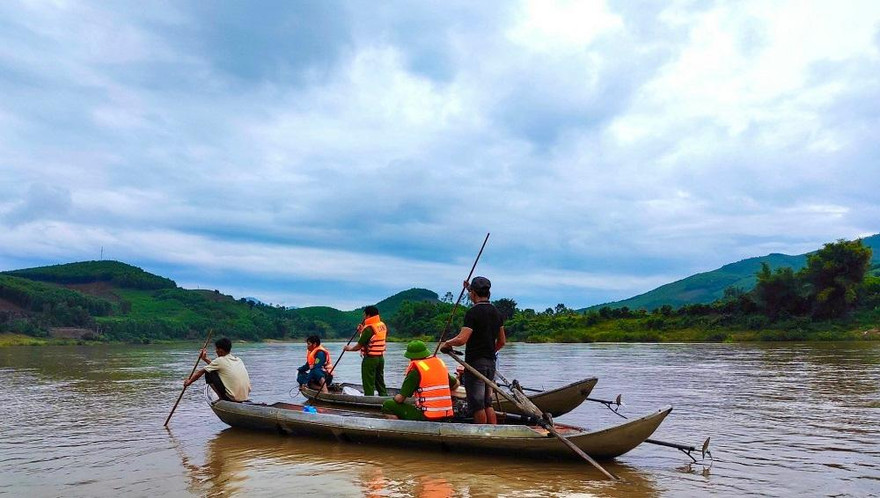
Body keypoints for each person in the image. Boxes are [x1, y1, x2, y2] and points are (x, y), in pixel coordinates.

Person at [439, 276, 506, 424]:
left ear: (473, 294)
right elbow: (502, 342)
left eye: (471, 292)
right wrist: (489, 351)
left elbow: (462, 339)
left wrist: (447, 343)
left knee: (477, 405)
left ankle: (482, 435)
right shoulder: (497, 313)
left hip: (475, 364)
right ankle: (494, 433)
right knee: (487, 402)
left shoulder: (473, 313)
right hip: (490, 364)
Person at [381, 340, 458, 421]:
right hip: (446, 414)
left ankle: (397, 427)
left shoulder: (415, 371)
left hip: (428, 416)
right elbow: (456, 384)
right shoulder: (439, 365)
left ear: (411, 357)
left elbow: (399, 399)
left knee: (388, 405)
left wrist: (394, 398)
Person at [184, 337, 251, 402]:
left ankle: (221, 398)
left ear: (221, 351)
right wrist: (205, 359)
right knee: (211, 369)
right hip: (244, 397)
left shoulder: (220, 360)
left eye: (216, 349)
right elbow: (218, 366)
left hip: (231, 398)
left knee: (208, 372)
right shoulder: (238, 359)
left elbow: (200, 372)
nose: (215, 351)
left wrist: (189, 382)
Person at [343, 305, 387, 396]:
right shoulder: (382, 325)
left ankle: (369, 398)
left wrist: (349, 348)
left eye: (364, 315)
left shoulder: (369, 328)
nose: (363, 317)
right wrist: (362, 331)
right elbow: (372, 338)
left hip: (370, 359)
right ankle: (384, 395)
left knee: (368, 381)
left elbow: (359, 346)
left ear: (368, 315)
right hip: (380, 358)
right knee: (379, 379)